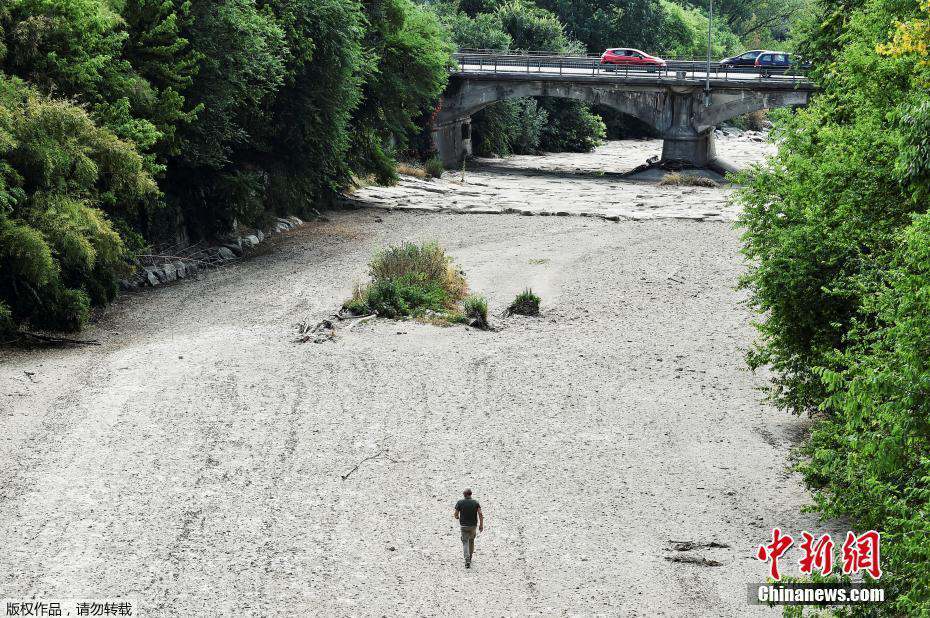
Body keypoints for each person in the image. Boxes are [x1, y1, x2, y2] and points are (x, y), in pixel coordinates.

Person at [453, 488, 484, 568]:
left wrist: (457, 517)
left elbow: (456, 514)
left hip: (463, 526)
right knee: (471, 541)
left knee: (465, 542)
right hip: (473, 526)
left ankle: (467, 560)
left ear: (464, 495)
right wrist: (481, 525)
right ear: (471, 494)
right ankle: (470, 557)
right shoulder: (476, 502)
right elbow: (480, 514)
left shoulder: (460, 502)